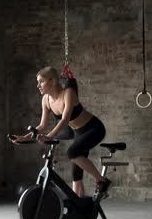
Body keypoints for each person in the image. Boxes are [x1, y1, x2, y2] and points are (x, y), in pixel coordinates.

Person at [12, 66, 111, 198]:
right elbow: (42, 125)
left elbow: (65, 120)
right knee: (76, 172)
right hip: (79, 133)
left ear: (52, 81)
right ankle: (79, 204)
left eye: (41, 81)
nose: (38, 85)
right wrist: (24, 138)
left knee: (72, 153)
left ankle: (102, 181)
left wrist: (49, 136)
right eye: (37, 82)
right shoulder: (46, 100)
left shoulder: (68, 93)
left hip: (94, 128)